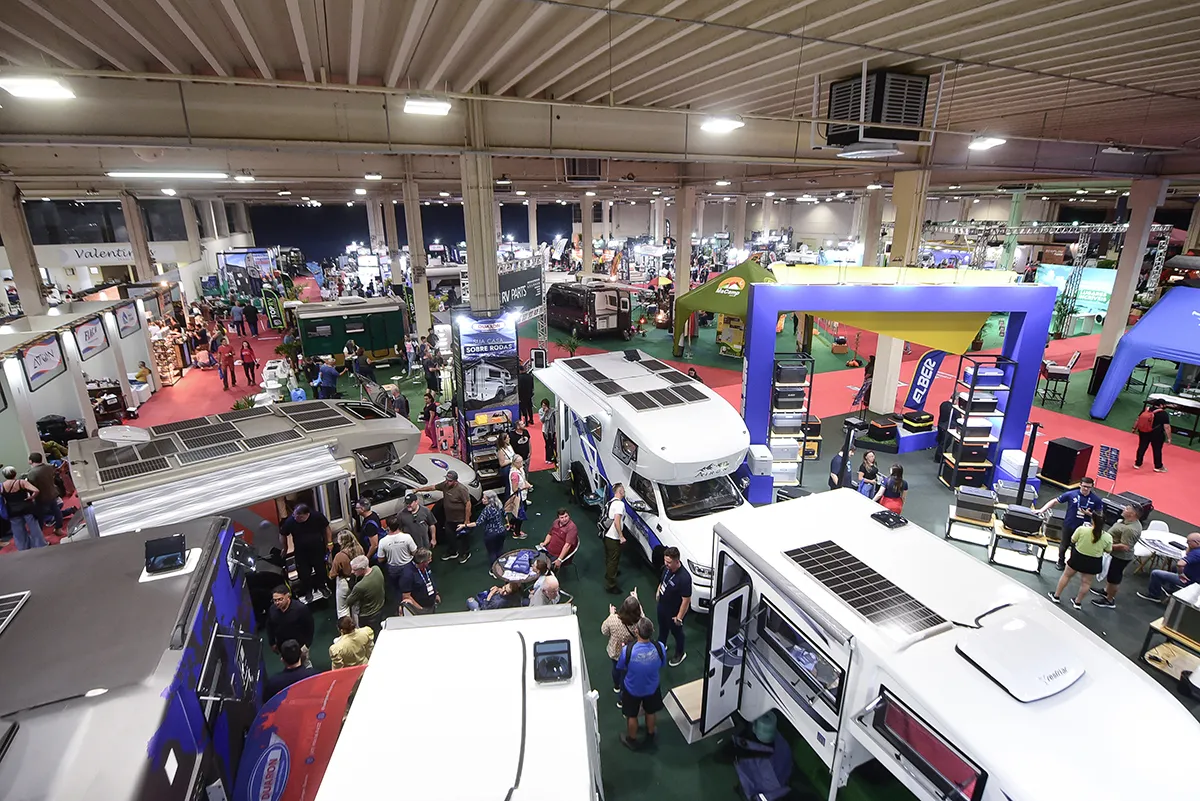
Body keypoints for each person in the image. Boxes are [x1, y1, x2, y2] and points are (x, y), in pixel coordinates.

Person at [616, 617, 666, 750]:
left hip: (632, 689)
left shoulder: (627, 650)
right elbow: (662, 664)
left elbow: (620, 666)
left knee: (631, 715)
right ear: (652, 631)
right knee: (651, 712)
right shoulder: (660, 647)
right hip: (652, 687)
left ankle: (632, 739)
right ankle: (651, 734)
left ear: (636, 631)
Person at [1048, 512, 1111, 610]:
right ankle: (1078, 602)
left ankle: (1056, 596)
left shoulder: (1082, 529)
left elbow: (1073, 540)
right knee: (1086, 583)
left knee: (1066, 575)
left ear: (1092, 520)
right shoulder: (1108, 537)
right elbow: (1108, 550)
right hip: (1094, 561)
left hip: (1078, 557)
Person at [1038, 476, 1101, 571]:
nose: (1086, 489)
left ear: (1092, 487)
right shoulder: (1071, 494)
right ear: (1080, 485)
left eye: (1088, 487)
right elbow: (1055, 501)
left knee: (1077, 548)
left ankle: (1072, 564)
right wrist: (1042, 510)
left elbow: (1100, 517)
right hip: (1069, 524)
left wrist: (1090, 514)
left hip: (1084, 528)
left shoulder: (1096, 500)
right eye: (1084, 486)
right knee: (1064, 545)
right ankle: (1061, 561)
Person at [1091, 505, 1143, 608]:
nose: (1124, 509)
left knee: (1114, 578)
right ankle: (1106, 591)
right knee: (1111, 575)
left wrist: (1105, 546)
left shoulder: (1130, 529)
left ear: (1132, 514)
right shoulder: (1126, 522)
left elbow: (1125, 546)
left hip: (1120, 557)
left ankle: (1109, 600)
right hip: (1114, 555)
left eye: (1127, 509)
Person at [416, 469, 472, 562]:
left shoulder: (461, 489)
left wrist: (467, 520)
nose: (447, 482)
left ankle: (465, 553)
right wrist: (418, 489)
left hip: (460, 519)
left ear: (455, 481)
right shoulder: (445, 485)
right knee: (450, 536)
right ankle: (453, 552)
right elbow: (433, 487)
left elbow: (468, 504)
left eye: (450, 481)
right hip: (449, 519)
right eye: (446, 479)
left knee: (463, 537)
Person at [280, 503, 333, 601]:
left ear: (304, 515)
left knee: (321, 570)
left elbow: (327, 527)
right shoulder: (291, 521)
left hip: (318, 550)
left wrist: (329, 542)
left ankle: (322, 586)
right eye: (294, 515)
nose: (294, 517)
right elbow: (282, 534)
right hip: (301, 553)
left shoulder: (317, 516)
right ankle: (308, 591)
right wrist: (285, 547)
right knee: (304, 574)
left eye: (296, 516)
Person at [1138, 533, 1200, 603]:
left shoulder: (1196, 553)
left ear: (1196, 542)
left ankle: (1154, 595)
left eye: (1188, 542)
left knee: (1155, 573)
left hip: (1188, 580)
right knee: (1174, 568)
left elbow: (1180, 564)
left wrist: (1181, 574)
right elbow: (1187, 553)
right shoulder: (1196, 550)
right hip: (1195, 577)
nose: (1187, 543)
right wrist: (1190, 546)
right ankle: (1170, 590)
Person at [656, 546, 692, 667]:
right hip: (662, 606)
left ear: (677, 561)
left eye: (669, 562)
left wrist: (679, 617)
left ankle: (680, 653)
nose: (666, 564)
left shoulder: (684, 578)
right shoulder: (666, 569)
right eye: (665, 561)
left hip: (674, 612)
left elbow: (686, 600)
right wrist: (658, 591)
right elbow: (662, 581)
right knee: (662, 628)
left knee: (677, 633)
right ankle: (662, 645)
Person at [602, 594, 643, 694]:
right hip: (630, 653)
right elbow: (643, 618)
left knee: (616, 669)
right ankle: (623, 694)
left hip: (615, 652)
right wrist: (637, 600)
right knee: (626, 673)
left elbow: (604, 631)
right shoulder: (639, 622)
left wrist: (611, 615)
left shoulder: (613, 619)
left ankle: (617, 686)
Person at [267, 586, 315, 664]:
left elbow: (310, 627)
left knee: (305, 664)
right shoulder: (272, 610)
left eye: (280, 599)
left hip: (300, 645)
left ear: (288, 596)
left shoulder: (301, 609)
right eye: (275, 600)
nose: (277, 603)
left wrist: (307, 645)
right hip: (283, 647)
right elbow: (269, 626)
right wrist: (272, 643)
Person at [1, 465, 44, 550]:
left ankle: (23, 548)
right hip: (26, 508)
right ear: (15, 473)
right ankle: (40, 545)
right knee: (34, 528)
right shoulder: (21, 482)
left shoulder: (2, 486)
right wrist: (31, 497)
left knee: (18, 531)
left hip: (12, 510)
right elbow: (36, 490)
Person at [376, 516, 418, 598]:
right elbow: (414, 552)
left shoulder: (383, 541)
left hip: (392, 569)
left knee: (396, 591)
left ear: (387, 526)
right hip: (408, 567)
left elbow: (380, 559)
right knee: (408, 590)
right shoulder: (407, 537)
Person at [462, 490, 507, 564]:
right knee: (499, 550)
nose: (482, 500)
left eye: (484, 498)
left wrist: (464, 525)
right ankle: (501, 566)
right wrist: (507, 523)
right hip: (501, 532)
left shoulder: (486, 510)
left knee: (492, 552)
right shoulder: (499, 505)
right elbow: (505, 514)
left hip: (491, 534)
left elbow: (477, 523)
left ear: (490, 500)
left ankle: (494, 568)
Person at [345, 555, 387, 635]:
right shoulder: (377, 569)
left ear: (362, 569)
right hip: (380, 608)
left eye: (355, 570)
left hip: (368, 616)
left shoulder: (360, 586)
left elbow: (349, 602)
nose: (352, 572)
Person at [328, 530, 363, 622]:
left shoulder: (339, 556)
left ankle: (347, 628)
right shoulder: (360, 549)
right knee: (356, 607)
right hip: (358, 580)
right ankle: (357, 627)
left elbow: (332, 575)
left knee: (343, 609)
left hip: (344, 583)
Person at [27, 452, 63, 537]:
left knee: (39, 517)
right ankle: (58, 528)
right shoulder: (49, 467)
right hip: (52, 493)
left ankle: (39, 535)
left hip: (41, 497)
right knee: (57, 511)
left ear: (31, 461)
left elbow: (31, 487)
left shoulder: (32, 473)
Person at [1133, 398, 1171, 472]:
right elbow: (1167, 427)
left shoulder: (1146, 410)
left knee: (1142, 447)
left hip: (1143, 432)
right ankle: (1158, 466)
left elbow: (1138, 419)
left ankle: (1137, 464)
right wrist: (1169, 438)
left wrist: (1134, 428)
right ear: (1161, 405)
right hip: (1157, 434)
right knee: (1157, 450)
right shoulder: (1163, 413)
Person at [398, 548, 439, 614]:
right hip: (420, 608)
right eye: (429, 560)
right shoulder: (407, 574)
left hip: (431, 604)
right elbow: (406, 596)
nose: (431, 561)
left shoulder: (425, 567)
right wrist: (420, 609)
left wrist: (436, 594)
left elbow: (430, 580)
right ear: (422, 562)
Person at [605, 484, 627, 594]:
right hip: (613, 537)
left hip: (607, 535)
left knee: (609, 557)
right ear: (620, 491)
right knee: (613, 560)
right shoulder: (619, 504)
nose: (624, 492)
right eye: (623, 490)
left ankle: (610, 573)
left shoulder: (611, 502)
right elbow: (617, 521)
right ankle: (611, 585)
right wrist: (621, 536)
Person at [505, 455, 531, 540]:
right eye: (519, 462)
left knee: (517, 512)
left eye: (521, 461)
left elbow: (523, 478)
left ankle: (511, 524)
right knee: (520, 515)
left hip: (522, 496)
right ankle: (517, 532)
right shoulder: (514, 474)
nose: (521, 463)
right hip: (518, 497)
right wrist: (525, 487)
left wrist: (526, 483)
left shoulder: (520, 469)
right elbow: (515, 489)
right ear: (514, 463)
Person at [353, 498, 382, 562]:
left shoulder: (370, 525)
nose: (355, 510)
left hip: (373, 557)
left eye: (357, 508)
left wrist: (367, 558)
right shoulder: (373, 514)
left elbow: (374, 545)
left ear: (362, 509)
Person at [933, 398, 953, 463]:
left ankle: (942, 454)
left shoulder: (943, 404)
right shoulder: (954, 408)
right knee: (945, 443)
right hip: (947, 427)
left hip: (940, 424)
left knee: (941, 441)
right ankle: (938, 458)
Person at [495, 432, 515, 498]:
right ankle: (507, 500)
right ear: (504, 440)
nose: (509, 438)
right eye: (507, 438)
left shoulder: (509, 445)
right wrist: (511, 460)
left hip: (513, 467)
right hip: (506, 469)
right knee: (509, 485)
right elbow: (502, 463)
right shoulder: (501, 451)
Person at [538, 398, 557, 464]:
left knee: (552, 444)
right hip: (545, 430)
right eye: (542, 405)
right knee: (547, 444)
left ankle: (553, 457)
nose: (544, 407)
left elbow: (555, 419)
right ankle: (547, 458)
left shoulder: (552, 411)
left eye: (545, 405)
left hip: (552, 430)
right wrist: (545, 413)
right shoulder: (541, 411)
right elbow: (542, 420)